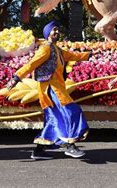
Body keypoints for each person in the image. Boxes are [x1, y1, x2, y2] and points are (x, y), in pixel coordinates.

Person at [6, 21, 92, 160]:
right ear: (47, 33)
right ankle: (70, 145)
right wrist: (16, 78)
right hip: (51, 90)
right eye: (54, 30)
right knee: (71, 112)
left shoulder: (57, 49)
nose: (57, 32)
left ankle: (39, 150)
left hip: (56, 89)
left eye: (58, 30)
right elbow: (31, 64)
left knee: (53, 120)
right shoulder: (45, 49)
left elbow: (72, 55)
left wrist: (88, 55)